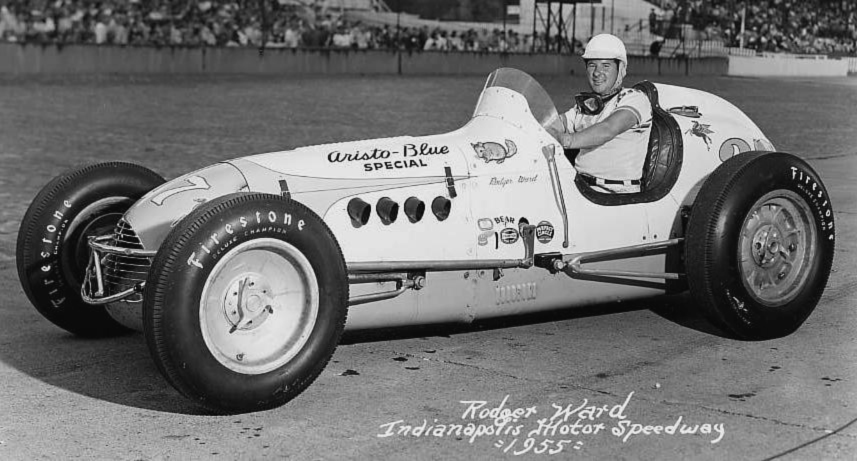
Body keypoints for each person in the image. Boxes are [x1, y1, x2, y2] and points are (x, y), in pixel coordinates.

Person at [550, 33, 652, 194]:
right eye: (592, 65)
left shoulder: (634, 98)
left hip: (616, 193)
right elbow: (555, 123)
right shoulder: (587, 104)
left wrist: (566, 139)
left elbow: (608, 129)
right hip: (579, 187)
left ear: (621, 69)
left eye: (606, 66)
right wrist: (542, 131)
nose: (597, 73)